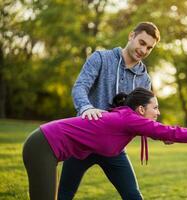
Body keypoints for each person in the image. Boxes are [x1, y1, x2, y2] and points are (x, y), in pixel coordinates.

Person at [22, 88, 187, 200]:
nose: (158, 113)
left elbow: (166, 133)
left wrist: (163, 136)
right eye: (156, 108)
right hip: (42, 146)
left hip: (44, 144)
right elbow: (174, 131)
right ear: (141, 110)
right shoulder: (129, 119)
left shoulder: (125, 120)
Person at [58, 22, 160, 200]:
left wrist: (159, 132)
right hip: (82, 141)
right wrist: (86, 107)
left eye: (149, 48)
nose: (143, 50)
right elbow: (80, 87)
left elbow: (143, 116)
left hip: (114, 147)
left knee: (133, 196)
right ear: (131, 36)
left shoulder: (145, 80)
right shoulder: (101, 58)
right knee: (64, 195)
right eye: (142, 43)